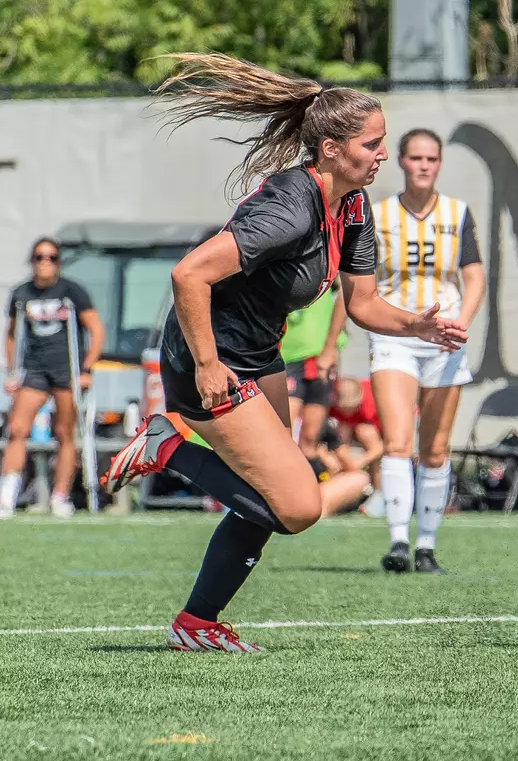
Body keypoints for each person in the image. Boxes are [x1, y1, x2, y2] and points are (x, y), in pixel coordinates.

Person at [102, 54, 466, 653]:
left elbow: (367, 304)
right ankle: (166, 444)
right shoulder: (290, 208)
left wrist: (417, 326)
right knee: (297, 509)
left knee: (269, 496)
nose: (383, 156)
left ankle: (197, 623)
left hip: (256, 356)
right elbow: (188, 275)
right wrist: (208, 365)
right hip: (206, 357)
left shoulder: (350, 207)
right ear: (328, 148)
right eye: (372, 145)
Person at [368, 128, 484, 574]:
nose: (423, 165)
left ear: (439, 164)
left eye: (431, 159)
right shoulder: (377, 215)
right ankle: (398, 541)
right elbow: (355, 285)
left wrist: (462, 322)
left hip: (444, 338)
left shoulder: (457, 213)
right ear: (400, 161)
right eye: (415, 157)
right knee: (397, 441)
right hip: (395, 335)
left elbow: (474, 277)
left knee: (435, 448)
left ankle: (427, 546)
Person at [2, 238, 104, 519]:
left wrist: (86, 369)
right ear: (32, 260)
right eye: (39, 257)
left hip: (66, 370)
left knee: (64, 433)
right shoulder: (22, 294)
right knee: (17, 428)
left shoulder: (72, 292)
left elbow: (95, 330)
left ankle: (60, 496)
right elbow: (11, 334)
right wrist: (12, 371)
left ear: (58, 261)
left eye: (51, 257)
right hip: (34, 370)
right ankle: (7, 494)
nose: (45, 263)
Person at [281, 279, 347, 462]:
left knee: (310, 438)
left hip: (319, 353)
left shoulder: (326, 253)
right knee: (283, 432)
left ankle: (307, 487)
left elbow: (348, 289)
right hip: (286, 354)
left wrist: (331, 345)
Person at [319, 377, 384, 498]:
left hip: (374, 436)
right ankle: (337, 481)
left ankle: (378, 492)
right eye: (343, 408)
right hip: (345, 432)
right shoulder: (329, 401)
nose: (347, 413)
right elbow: (311, 434)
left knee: (367, 433)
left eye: (351, 408)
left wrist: (362, 460)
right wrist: (326, 456)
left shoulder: (374, 403)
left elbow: (388, 443)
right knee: (342, 428)